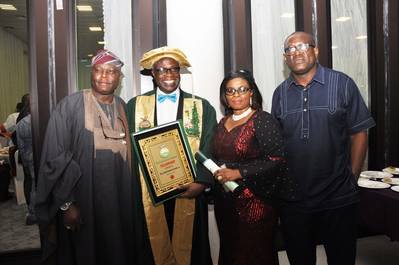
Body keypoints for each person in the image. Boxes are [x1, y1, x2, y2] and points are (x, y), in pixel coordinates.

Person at [35, 50, 151, 265]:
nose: (104, 77)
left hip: (120, 202)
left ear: (119, 77)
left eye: (111, 72)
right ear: (91, 73)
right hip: (84, 203)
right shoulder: (69, 107)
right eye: (98, 71)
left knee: (118, 251)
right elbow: (54, 158)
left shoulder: (124, 108)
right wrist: (67, 204)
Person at [271, 31, 376, 265]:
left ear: (315, 51)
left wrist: (353, 175)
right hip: (294, 200)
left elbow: (359, 131)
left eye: (302, 46)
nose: (296, 52)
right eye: (290, 49)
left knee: (341, 259)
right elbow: (277, 144)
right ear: (285, 58)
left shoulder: (342, 83)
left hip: (337, 196)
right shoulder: (280, 93)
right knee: (300, 259)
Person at [127, 46, 216, 265]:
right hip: (149, 193)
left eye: (173, 69)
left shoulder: (201, 106)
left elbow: (209, 146)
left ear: (180, 72)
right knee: (151, 246)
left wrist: (202, 183)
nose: (168, 75)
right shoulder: (135, 106)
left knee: (190, 248)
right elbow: (129, 151)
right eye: (161, 70)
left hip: (189, 190)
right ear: (152, 74)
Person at [211, 70, 298, 265]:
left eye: (242, 89)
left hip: (255, 203)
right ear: (224, 96)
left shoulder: (262, 120)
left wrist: (238, 172)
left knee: (254, 254)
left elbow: (277, 160)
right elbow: (217, 156)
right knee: (230, 250)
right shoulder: (222, 122)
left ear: (251, 92)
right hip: (225, 202)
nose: (236, 94)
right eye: (230, 91)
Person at [16, 111, 37, 225]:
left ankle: (32, 212)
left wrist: (24, 161)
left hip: (29, 156)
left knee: (34, 184)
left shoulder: (21, 123)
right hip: (41, 154)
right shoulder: (40, 120)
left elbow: (21, 146)